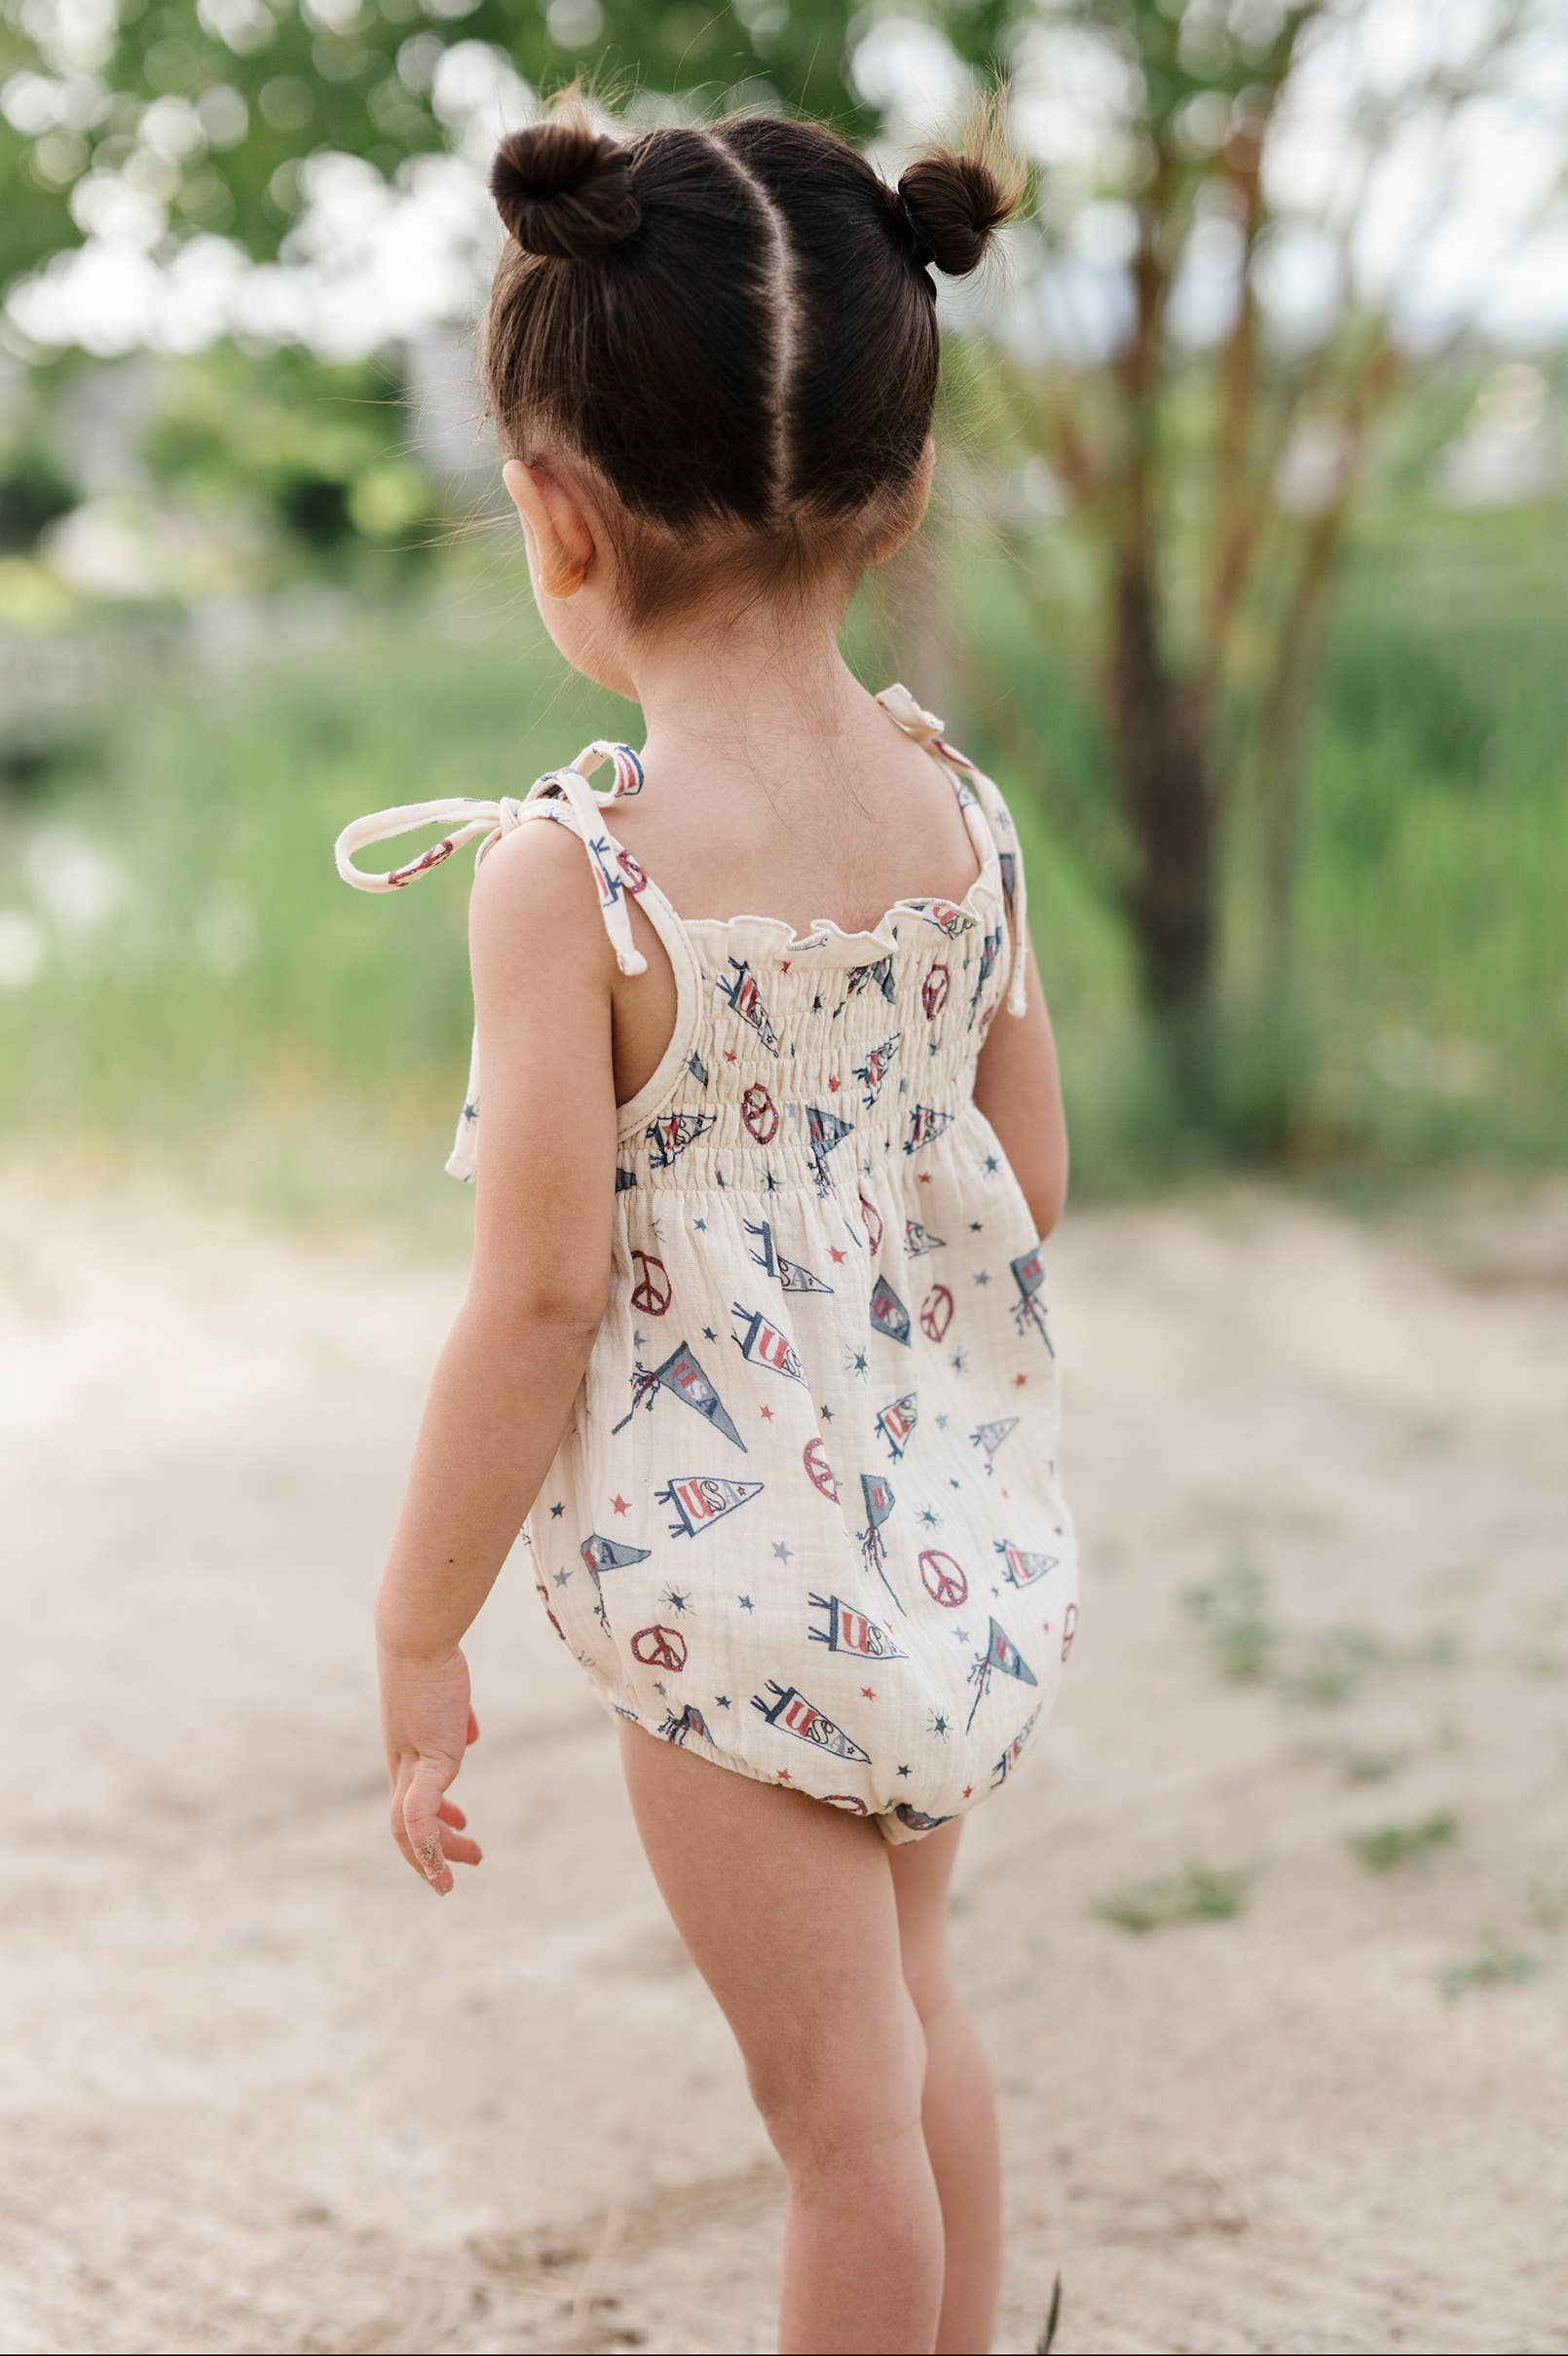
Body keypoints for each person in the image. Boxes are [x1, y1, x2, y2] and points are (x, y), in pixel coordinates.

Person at [335, 98, 1077, 2356]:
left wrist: (414, 1624)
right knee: (911, 2015)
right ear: (904, 477)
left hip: (726, 1595)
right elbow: (1025, 1183)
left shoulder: (581, 876)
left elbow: (542, 1290)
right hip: (935, 1540)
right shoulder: (956, 808)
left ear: (553, 517)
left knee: (829, 2116)